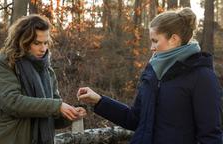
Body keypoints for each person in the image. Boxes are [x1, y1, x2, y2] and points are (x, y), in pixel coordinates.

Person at [77, 8, 222, 144]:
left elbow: (210, 136)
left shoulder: (202, 77)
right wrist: (99, 101)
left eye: (155, 41)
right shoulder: (153, 72)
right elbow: (135, 119)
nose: (151, 47)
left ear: (174, 39)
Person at [0, 14, 86, 144]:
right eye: (37, 43)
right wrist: (57, 106)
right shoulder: (4, 64)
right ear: (23, 41)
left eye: (45, 43)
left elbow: (51, 116)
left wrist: (70, 114)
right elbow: (12, 102)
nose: (43, 49)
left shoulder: (47, 71)